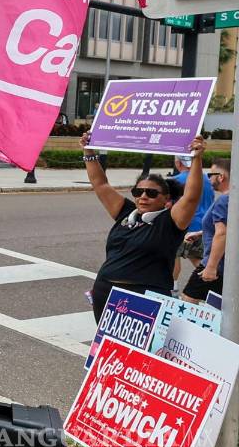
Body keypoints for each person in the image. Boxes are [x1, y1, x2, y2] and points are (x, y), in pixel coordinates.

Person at [82, 131, 205, 323]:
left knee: (139, 352)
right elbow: (100, 184)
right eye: (138, 192)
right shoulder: (125, 213)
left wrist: (196, 159)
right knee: (109, 351)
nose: (143, 196)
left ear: (166, 199)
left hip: (145, 297)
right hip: (106, 292)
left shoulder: (170, 222)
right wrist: (89, 151)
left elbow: (191, 197)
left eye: (151, 193)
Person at [183, 159, 228, 303]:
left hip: (217, 264)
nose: (209, 179)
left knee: (188, 302)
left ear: (221, 177)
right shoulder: (233, 198)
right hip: (228, 265)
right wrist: (201, 233)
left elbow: (222, 233)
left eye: (211, 175)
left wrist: (211, 267)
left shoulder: (223, 201)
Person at [170, 153, 214, 280]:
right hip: (202, 227)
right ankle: (209, 289)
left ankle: (172, 290)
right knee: (200, 262)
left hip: (182, 227)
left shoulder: (174, 181)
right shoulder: (206, 179)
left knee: (173, 259)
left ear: (178, 163)